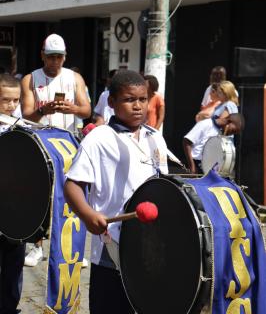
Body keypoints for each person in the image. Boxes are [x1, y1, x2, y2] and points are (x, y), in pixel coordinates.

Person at [64, 70, 168, 314]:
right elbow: (72, 185)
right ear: (112, 103)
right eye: (129, 100)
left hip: (148, 243)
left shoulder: (155, 138)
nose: (138, 106)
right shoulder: (99, 138)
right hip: (111, 243)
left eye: (143, 99)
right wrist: (88, 215)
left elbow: (162, 184)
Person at [21, 33, 91, 267]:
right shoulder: (31, 79)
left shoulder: (74, 78)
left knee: (73, 195)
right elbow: (27, 113)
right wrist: (45, 109)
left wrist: (71, 108)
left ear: (65, 56)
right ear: (42, 56)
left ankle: (72, 247)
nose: (55, 62)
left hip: (68, 143)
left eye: (59, 57)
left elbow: (86, 110)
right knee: (41, 195)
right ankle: (37, 246)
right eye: (51, 57)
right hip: (40, 142)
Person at [0, 74, 25, 314]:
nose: (11, 105)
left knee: (14, 264)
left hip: (15, 209)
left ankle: (9, 308)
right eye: (5, 100)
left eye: (16, 100)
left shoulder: (22, 127)